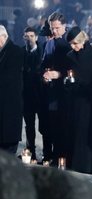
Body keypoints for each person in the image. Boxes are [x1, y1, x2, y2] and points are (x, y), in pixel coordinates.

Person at [65, 26, 92, 173]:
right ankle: (73, 164)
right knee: (75, 132)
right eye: (71, 44)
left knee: (88, 134)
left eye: (75, 43)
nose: (73, 47)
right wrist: (68, 82)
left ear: (82, 41)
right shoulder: (69, 56)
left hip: (91, 101)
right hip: (74, 102)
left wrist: (91, 90)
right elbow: (68, 76)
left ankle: (88, 166)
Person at [41, 12, 71, 164]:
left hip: (65, 94)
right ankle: (54, 155)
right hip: (51, 92)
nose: (54, 31)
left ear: (64, 26)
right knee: (52, 126)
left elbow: (74, 67)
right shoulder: (49, 43)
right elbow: (44, 64)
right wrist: (45, 75)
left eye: (57, 28)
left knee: (63, 127)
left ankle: (63, 157)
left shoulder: (70, 42)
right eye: (52, 28)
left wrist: (58, 74)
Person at [0, 25, 24, 154]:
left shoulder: (15, 52)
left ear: (3, 37)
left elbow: (10, 77)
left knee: (8, 143)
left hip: (10, 105)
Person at [22, 27, 44, 162]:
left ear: (36, 37)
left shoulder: (42, 51)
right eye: (26, 36)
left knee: (44, 126)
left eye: (31, 36)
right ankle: (31, 153)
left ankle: (47, 154)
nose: (29, 38)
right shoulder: (22, 52)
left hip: (40, 94)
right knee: (29, 126)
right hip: (27, 95)